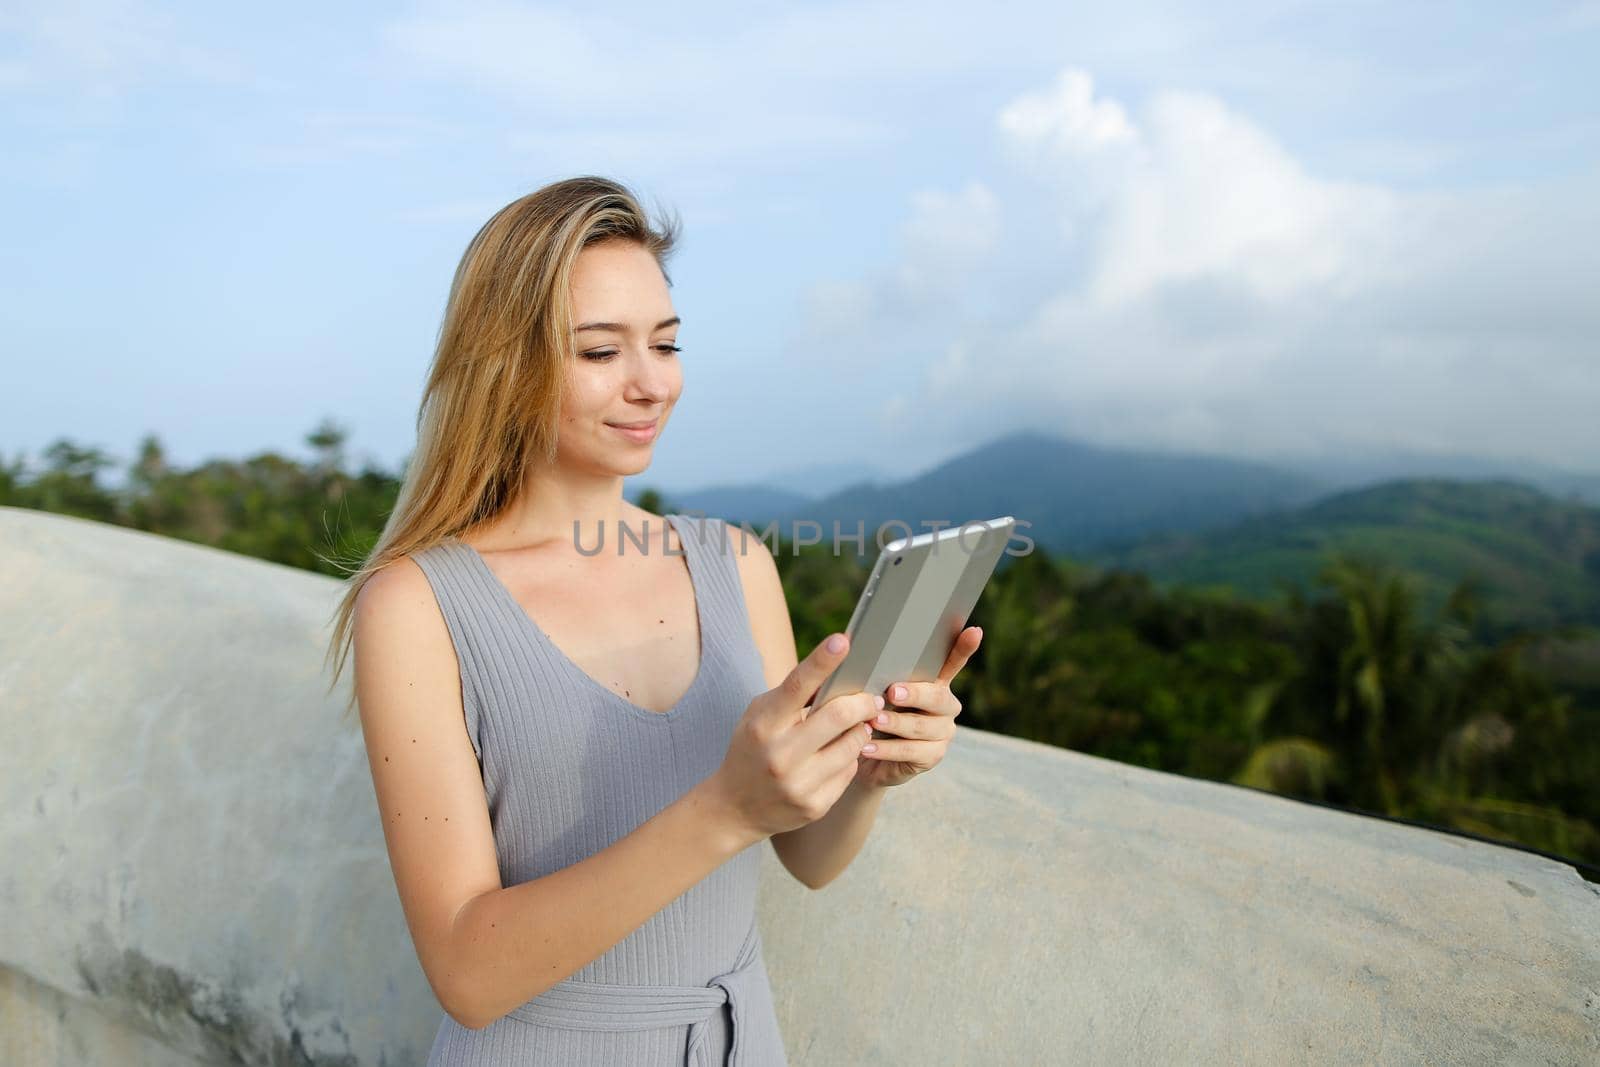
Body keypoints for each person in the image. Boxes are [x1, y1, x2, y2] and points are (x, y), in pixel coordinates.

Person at [322, 175, 982, 1064]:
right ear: (502, 362)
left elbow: (808, 856)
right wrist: (724, 808)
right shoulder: (417, 605)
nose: (651, 384)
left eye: (665, 345)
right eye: (600, 352)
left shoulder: (734, 561)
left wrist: (870, 769)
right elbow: (467, 974)